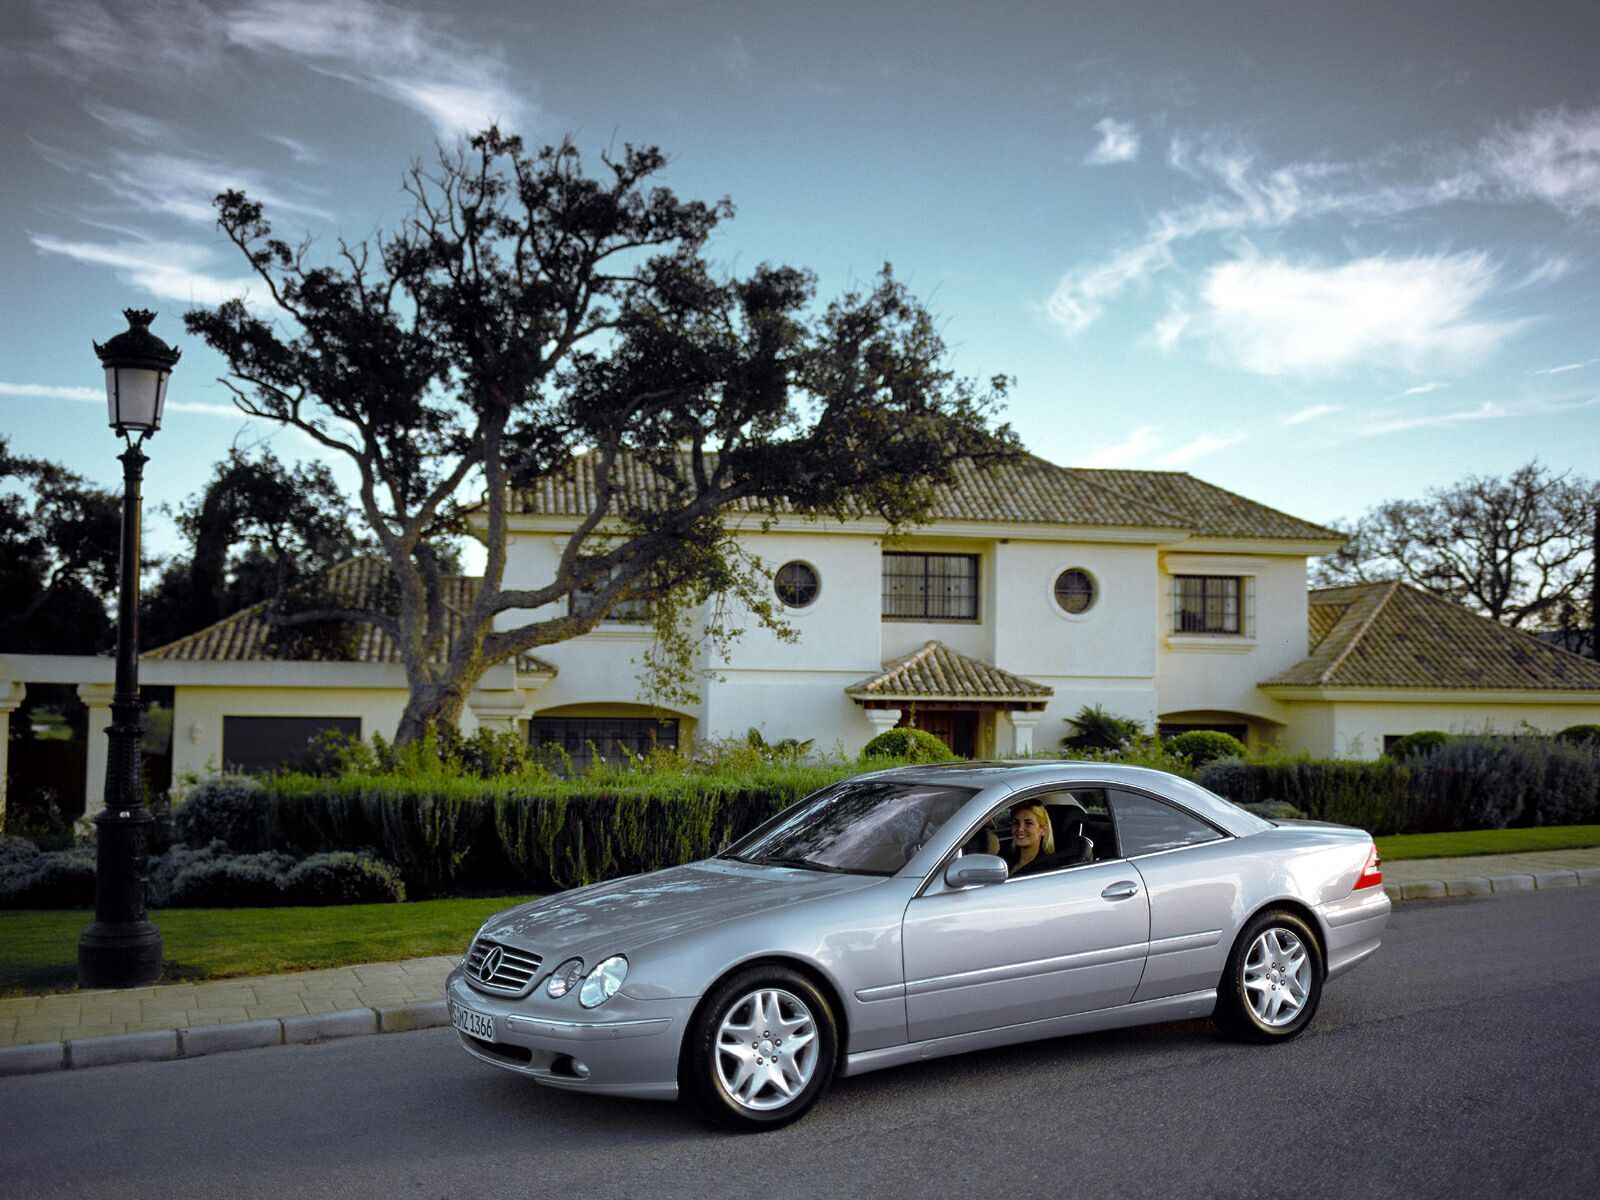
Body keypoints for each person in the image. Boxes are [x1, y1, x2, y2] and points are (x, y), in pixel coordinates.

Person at [1005, 802, 1056, 877]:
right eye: (1016, 823)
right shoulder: (1005, 858)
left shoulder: (1048, 869)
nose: (1020, 829)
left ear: (1043, 830)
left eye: (1028, 823)